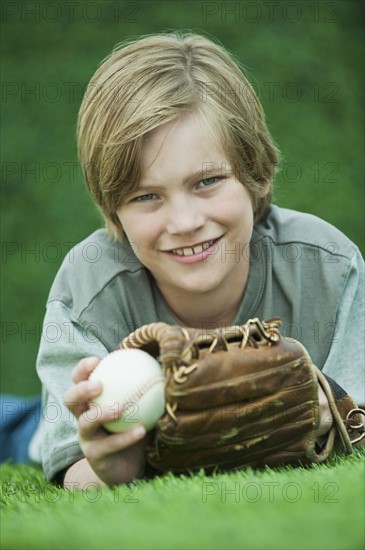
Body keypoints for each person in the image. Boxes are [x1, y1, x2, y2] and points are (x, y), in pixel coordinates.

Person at [2, 32, 364, 488]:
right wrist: (108, 468)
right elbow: (73, 467)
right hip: (34, 428)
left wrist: (326, 409)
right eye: (147, 195)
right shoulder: (90, 283)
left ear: (253, 174)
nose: (185, 221)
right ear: (115, 210)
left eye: (208, 181)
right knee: (20, 427)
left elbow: (359, 424)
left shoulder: (326, 267)